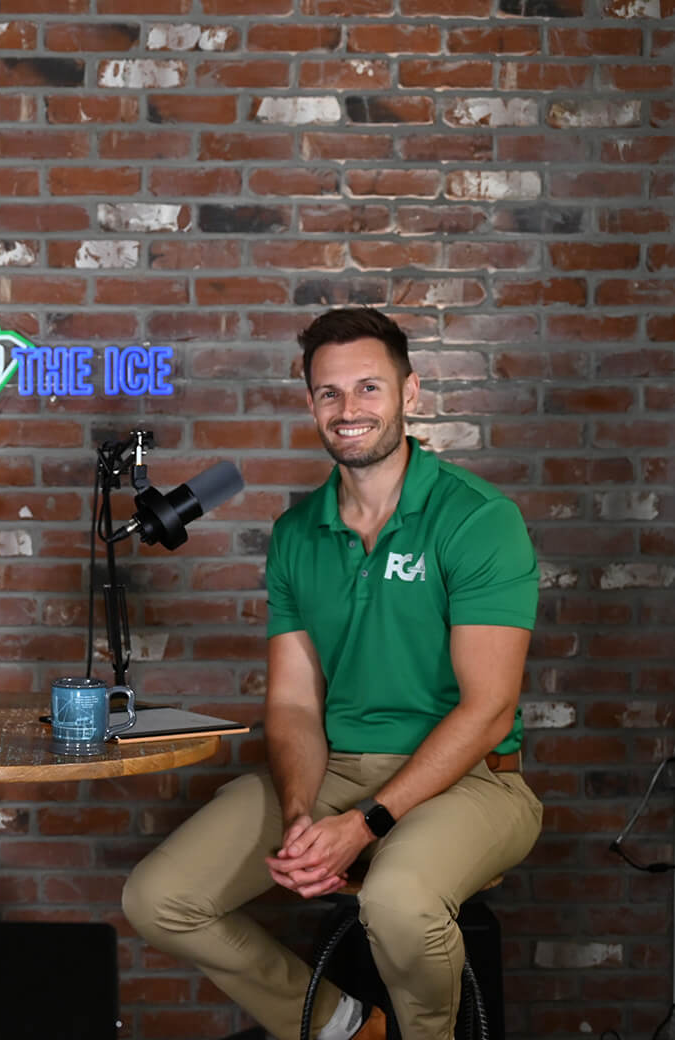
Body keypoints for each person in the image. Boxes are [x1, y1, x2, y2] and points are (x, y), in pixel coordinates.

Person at [122, 307, 543, 1040]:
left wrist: (367, 823)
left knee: (398, 899)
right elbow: (292, 706)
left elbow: (488, 710)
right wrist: (298, 814)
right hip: (338, 769)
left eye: (368, 387)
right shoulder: (296, 533)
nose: (349, 409)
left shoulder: (478, 519)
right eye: (329, 392)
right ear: (311, 403)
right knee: (159, 898)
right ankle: (345, 1027)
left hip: (475, 779)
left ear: (409, 393)